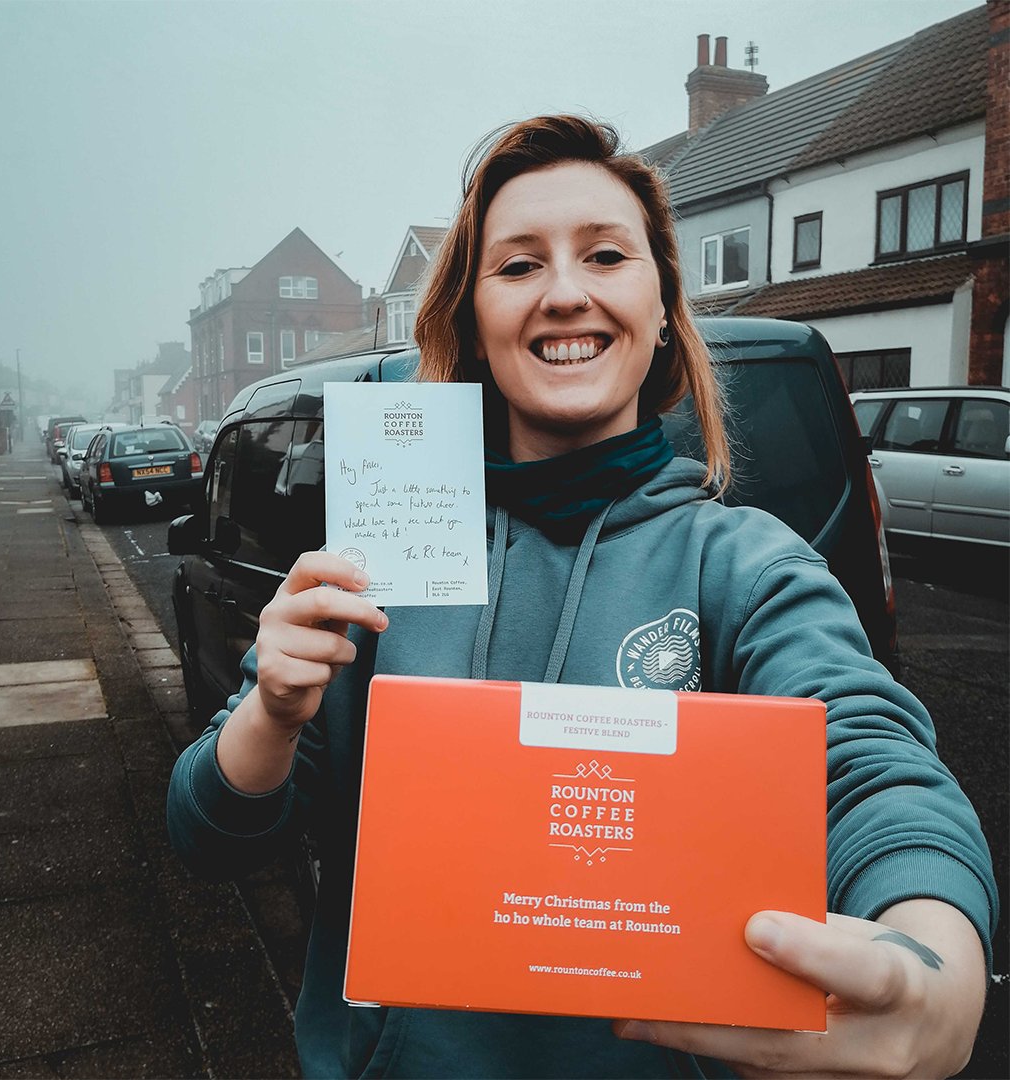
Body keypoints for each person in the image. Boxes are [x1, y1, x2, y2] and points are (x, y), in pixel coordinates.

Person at [167, 115, 997, 1079]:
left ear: (660, 307)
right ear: (472, 320)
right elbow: (206, 836)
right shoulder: (383, 560)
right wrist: (270, 706)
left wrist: (940, 974)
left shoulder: (746, 567)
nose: (565, 294)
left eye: (605, 255)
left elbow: (871, 767)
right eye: (518, 267)